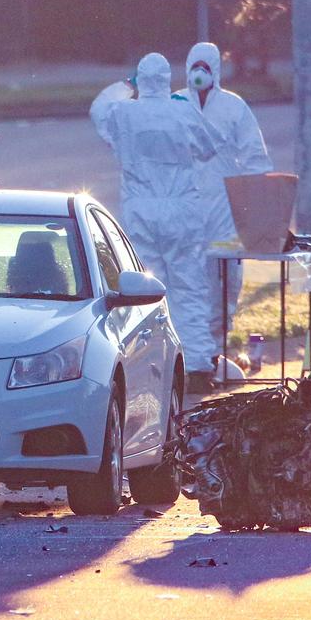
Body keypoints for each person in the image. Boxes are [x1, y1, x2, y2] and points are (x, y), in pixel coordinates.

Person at [90, 53, 236, 393]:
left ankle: (150, 368)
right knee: (188, 286)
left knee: (144, 291)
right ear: (168, 79)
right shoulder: (183, 110)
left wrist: (126, 86)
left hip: (140, 208)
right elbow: (209, 147)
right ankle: (198, 365)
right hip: (181, 208)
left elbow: (99, 108)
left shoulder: (122, 112)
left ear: (141, 80)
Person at [174, 42, 274, 356]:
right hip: (184, 208)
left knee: (225, 280)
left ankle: (215, 352)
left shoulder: (233, 107)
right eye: (195, 66)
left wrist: (256, 206)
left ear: (215, 70)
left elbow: (256, 158)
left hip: (225, 208)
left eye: (205, 66)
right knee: (185, 283)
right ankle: (188, 356)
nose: (199, 73)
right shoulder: (173, 103)